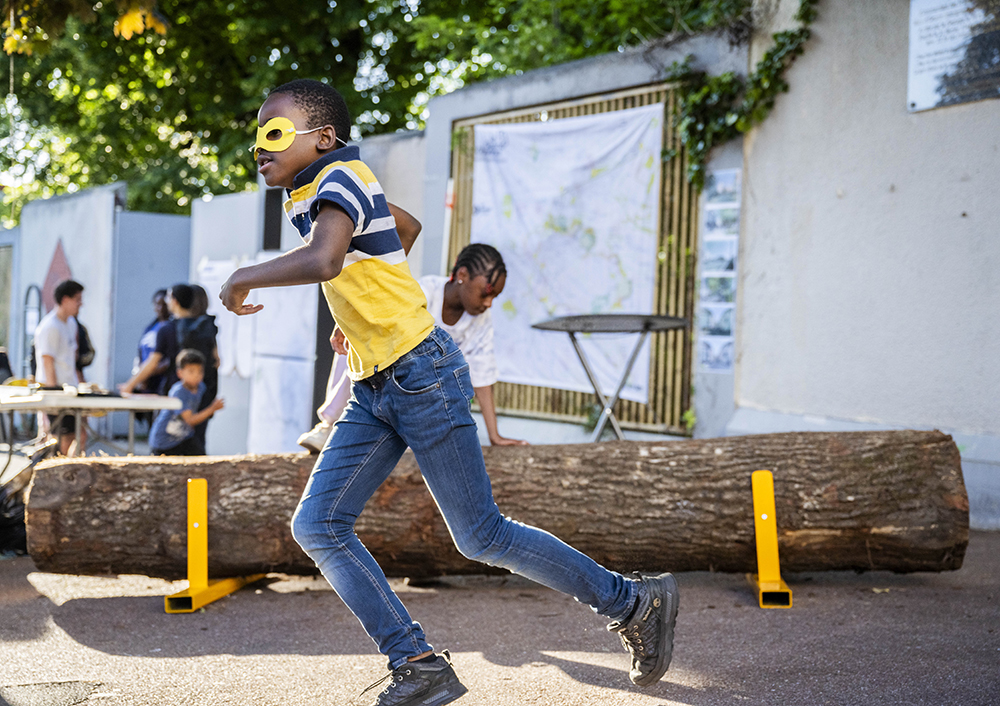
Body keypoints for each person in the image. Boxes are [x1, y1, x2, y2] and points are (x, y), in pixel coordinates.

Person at [220, 78, 678, 706]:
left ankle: (634, 602)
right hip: (376, 381)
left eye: (274, 134)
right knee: (319, 525)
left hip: (424, 375)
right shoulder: (312, 190)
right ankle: (417, 664)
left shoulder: (341, 175)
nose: (260, 149)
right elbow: (399, 228)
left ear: (323, 137)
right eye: (258, 138)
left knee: (480, 534)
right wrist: (363, 323)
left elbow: (327, 260)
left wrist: (244, 274)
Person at [298, 207, 423, 453]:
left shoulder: (344, 187)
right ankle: (332, 424)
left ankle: (333, 423)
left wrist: (244, 279)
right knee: (348, 348)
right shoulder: (313, 196)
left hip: (393, 325)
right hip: (362, 312)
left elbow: (410, 227)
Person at [418, 244, 527, 447]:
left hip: (432, 406)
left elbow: (481, 374)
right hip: (390, 390)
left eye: (494, 297)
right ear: (462, 275)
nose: (489, 304)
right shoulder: (423, 294)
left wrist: (495, 436)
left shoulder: (481, 319)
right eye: (486, 293)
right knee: (337, 411)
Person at [121, 284, 220, 447]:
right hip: (202, 393)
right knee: (195, 442)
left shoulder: (167, 328)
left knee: (168, 442)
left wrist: (129, 385)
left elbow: (152, 363)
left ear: (174, 301)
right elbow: (217, 360)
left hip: (175, 395)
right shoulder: (206, 326)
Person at [34, 279, 87, 455]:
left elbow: (72, 360)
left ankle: (72, 471)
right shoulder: (50, 326)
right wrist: (54, 393)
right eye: (77, 299)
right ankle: (58, 472)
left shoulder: (71, 324)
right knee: (60, 438)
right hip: (55, 391)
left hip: (70, 390)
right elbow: (47, 361)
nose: (81, 304)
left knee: (80, 433)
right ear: (65, 299)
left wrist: (80, 384)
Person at [148, 349, 224, 455]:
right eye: (191, 371)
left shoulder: (201, 387)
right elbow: (190, 420)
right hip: (164, 442)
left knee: (201, 460)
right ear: (180, 373)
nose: (196, 375)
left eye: (200, 371)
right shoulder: (179, 392)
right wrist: (212, 409)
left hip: (183, 437)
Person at [131, 289, 171, 424]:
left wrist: (150, 371)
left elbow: (168, 359)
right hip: (146, 383)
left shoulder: (171, 328)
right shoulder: (151, 327)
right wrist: (140, 375)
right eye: (157, 304)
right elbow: (140, 351)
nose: (160, 308)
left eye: (163, 304)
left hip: (162, 383)